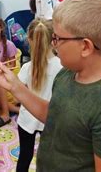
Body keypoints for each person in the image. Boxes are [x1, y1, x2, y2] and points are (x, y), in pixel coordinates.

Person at [0, 0, 101, 171]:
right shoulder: (66, 75)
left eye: (57, 39)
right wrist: (16, 87)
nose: (53, 45)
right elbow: (54, 115)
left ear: (85, 47)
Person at [15, 18, 62, 172]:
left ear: (29, 40)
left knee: (24, 156)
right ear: (54, 40)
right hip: (50, 119)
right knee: (48, 159)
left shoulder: (27, 67)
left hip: (26, 118)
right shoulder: (63, 68)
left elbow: (18, 95)